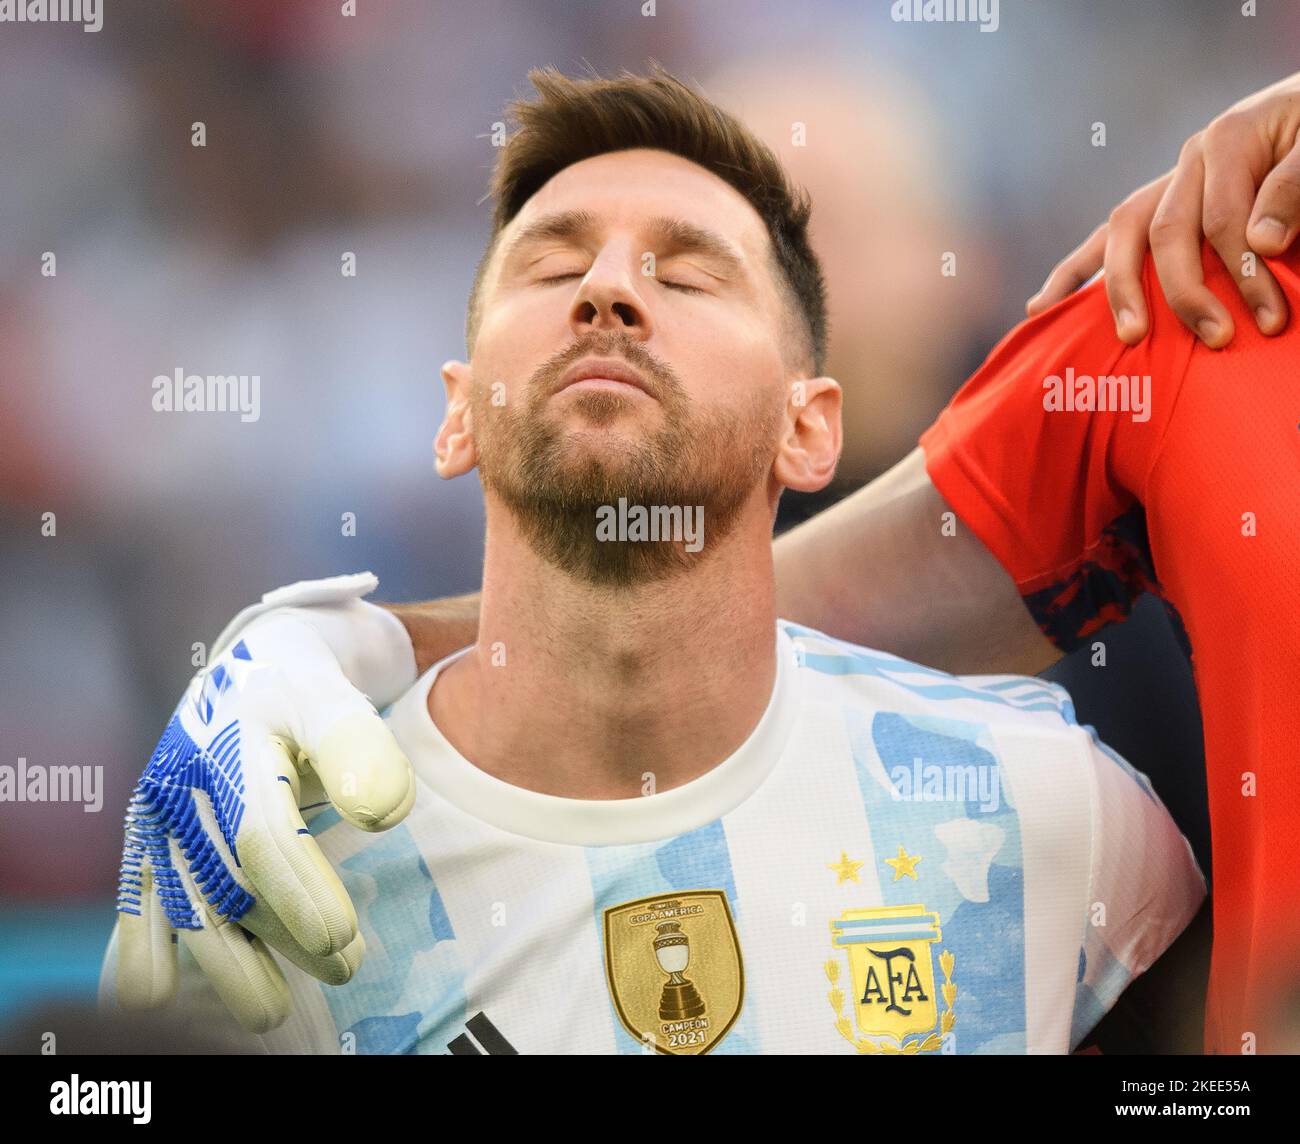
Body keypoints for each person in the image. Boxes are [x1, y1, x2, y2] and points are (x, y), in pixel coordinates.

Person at [99, 64, 1204, 1056]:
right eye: (552, 265)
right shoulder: (263, 886)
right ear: (456, 419)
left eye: (686, 276)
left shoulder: (1055, 826)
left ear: (805, 427)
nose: (607, 292)